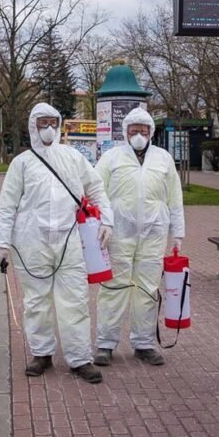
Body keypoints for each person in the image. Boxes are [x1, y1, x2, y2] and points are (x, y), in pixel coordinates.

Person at [0, 103, 113, 384]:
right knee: (36, 301)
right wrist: (1, 245)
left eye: (52, 123)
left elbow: (95, 187)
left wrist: (107, 219)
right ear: (33, 126)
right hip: (31, 241)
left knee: (76, 300)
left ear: (59, 126)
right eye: (42, 123)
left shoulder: (72, 157)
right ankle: (42, 353)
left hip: (69, 240)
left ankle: (79, 358)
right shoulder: (21, 163)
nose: (48, 128)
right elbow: (8, 206)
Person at [92, 108, 185, 367]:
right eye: (134, 130)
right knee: (114, 288)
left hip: (153, 234)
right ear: (125, 132)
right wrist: (100, 224)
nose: (139, 134)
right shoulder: (111, 158)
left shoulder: (163, 159)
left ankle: (143, 343)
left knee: (147, 288)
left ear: (151, 132)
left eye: (143, 130)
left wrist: (178, 232)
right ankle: (105, 344)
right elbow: (96, 192)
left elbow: (174, 197)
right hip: (118, 233)